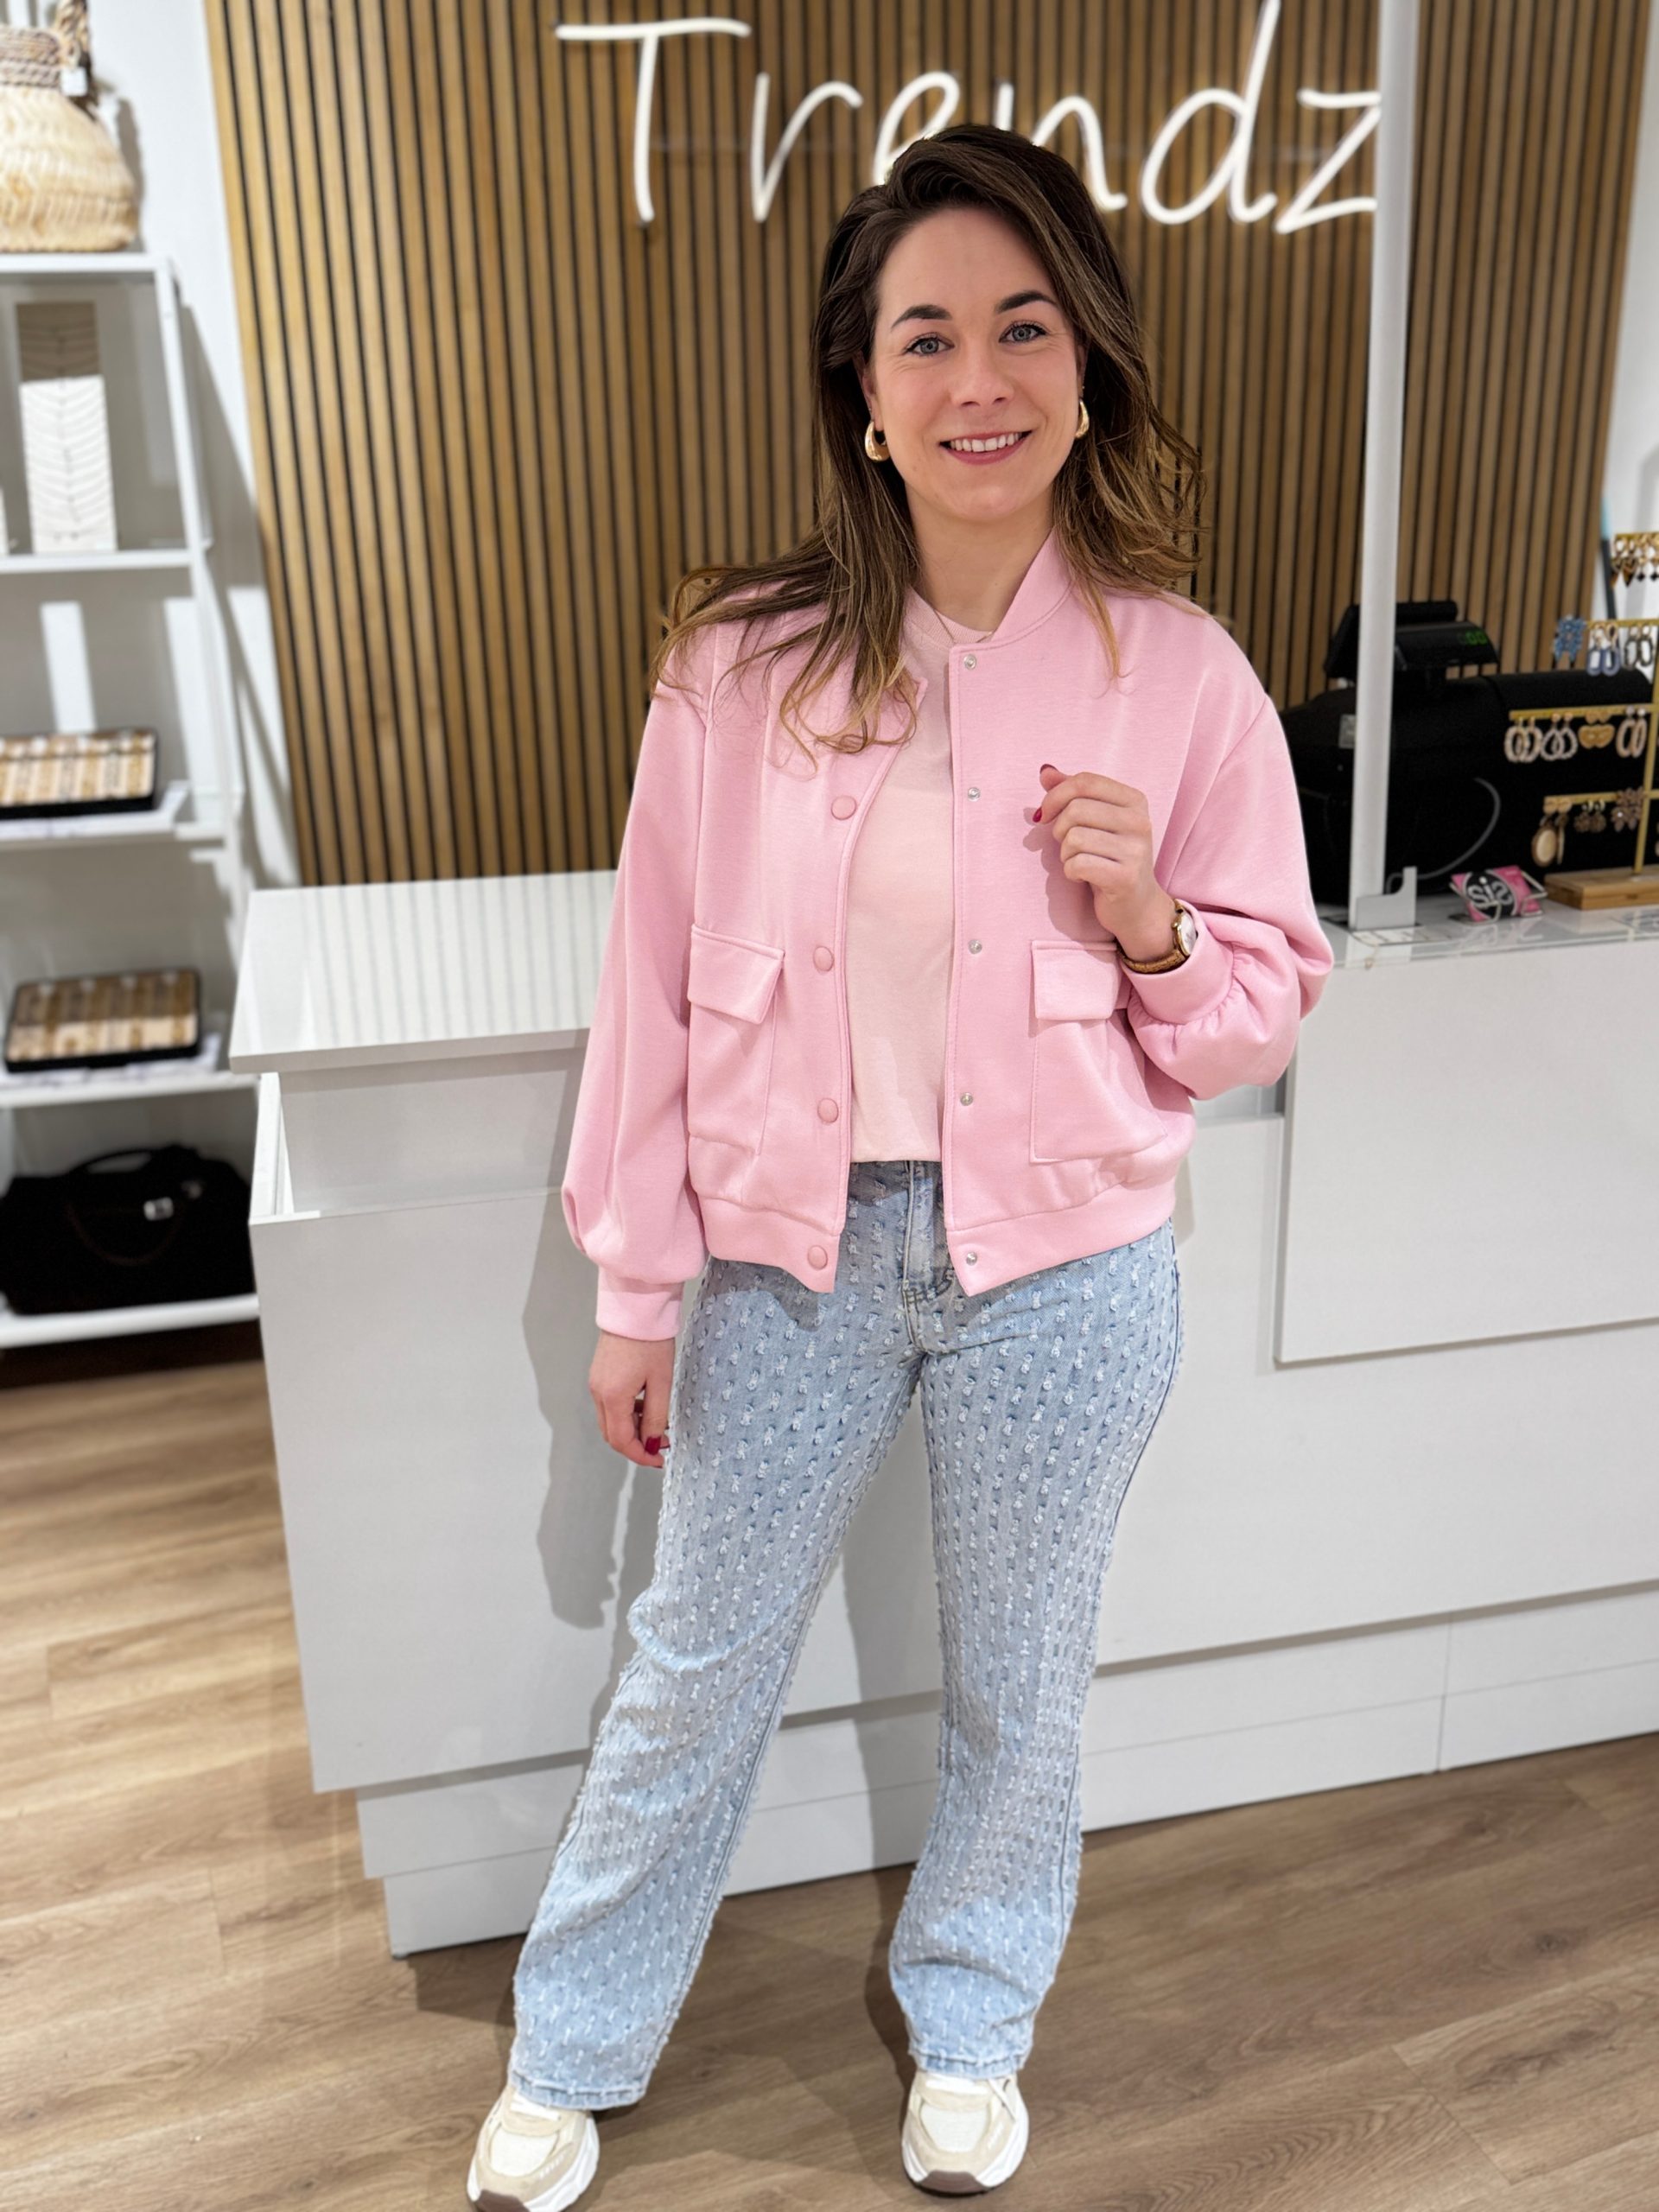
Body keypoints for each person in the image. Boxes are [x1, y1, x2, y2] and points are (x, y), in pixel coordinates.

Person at [467, 121, 1333, 2210]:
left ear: (1088, 366)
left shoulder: (1184, 676)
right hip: (795, 1255)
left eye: (1024, 327)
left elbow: (1256, 1014)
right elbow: (655, 995)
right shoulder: (737, 667)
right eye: (925, 336)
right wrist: (636, 1289)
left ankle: (973, 2014)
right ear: (863, 388)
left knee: (1021, 1682)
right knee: (697, 1665)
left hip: (1068, 1268)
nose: (978, 381)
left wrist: (1152, 919)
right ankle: (573, 2041)